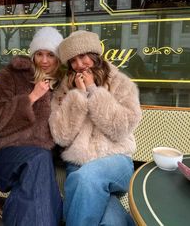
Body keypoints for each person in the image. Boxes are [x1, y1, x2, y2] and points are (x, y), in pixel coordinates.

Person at [49, 30, 142, 226]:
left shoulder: (121, 83)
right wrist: (79, 98)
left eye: (83, 57)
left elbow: (121, 128)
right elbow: (61, 136)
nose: (79, 65)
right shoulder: (64, 89)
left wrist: (93, 92)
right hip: (79, 163)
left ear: (94, 55)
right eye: (73, 61)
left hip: (116, 161)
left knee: (85, 179)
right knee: (111, 220)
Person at [0, 27, 65, 226]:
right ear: (32, 55)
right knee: (38, 161)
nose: (44, 60)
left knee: (37, 174)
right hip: (4, 157)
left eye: (50, 55)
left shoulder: (63, 86)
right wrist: (31, 97)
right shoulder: (10, 76)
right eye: (39, 54)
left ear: (58, 59)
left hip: (40, 163)